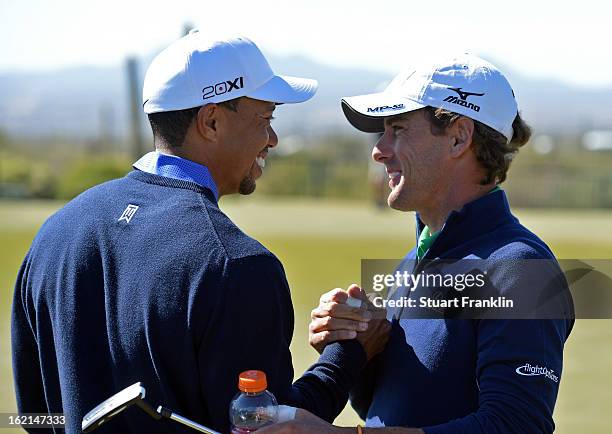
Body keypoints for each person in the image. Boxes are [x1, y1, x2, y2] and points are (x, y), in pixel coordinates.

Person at [11, 31, 389, 434]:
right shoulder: (237, 265)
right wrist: (346, 356)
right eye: (266, 118)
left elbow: (36, 416)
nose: (273, 139)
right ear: (210, 121)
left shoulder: (52, 236)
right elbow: (265, 428)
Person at [261, 53, 574, 433]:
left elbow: (515, 425)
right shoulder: (414, 261)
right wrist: (353, 349)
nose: (379, 150)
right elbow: (391, 409)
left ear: (459, 137)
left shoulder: (520, 267)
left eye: (399, 129)